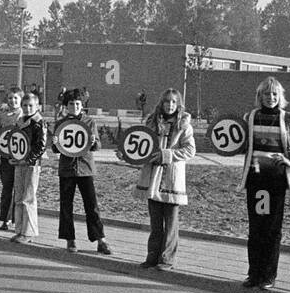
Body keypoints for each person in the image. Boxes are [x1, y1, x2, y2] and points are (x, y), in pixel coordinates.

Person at [240, 77, 290, 289]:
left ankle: (268, 276)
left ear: (279, 96)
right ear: (259, 96)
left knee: (272, 229)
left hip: (276, 182)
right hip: (256, 181)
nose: (270, 98)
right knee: (256, 227)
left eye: (274, 94)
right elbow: (241, 143)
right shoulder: (250, 117)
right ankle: (254, 274)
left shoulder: (289, 118)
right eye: (266, 94)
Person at [117, 87, 195, 270]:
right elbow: (141, 147)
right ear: (162, 102)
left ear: (179, 104)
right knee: (155, 221)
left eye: (174, 102)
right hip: (152, 179)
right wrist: (126, 153)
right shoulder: (151, 122)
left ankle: (167, 258)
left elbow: (190, 150)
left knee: (171, 222)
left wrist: (166, 155)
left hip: (171, 179)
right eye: (167, 101)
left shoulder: (184, 125)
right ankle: (152, 255)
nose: (170, 105)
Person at [53, 87, 111, 254]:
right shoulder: (61, 123)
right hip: (67, 169)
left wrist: (93, 141)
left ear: (82, 104)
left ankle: (101, 239)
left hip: (85, 168)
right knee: (66, 205)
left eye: (78, 103)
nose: (75, 107)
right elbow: (56, 148)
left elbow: (97, 146)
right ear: (66, 105)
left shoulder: (89, 122)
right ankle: (69, 239)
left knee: (92, 205)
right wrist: (56, 143)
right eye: (71, 104)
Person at [10, 89, 48, 245]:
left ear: (37, 106)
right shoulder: (20, 121)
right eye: (24, 105)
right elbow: (15, 142)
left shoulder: (39, 122)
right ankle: (19, 229)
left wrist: (28, 159)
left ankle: (29, 231)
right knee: (18, 197)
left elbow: (41, 145)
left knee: (28, 198)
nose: (27, 108)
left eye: (31, 105)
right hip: (20, 163)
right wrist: (14, 157)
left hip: (32, 164)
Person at [0, 87, 22, 229]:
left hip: (18, 156)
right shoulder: (3, 115)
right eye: (10, 98)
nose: (13, 100)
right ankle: (5, 219)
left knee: (18, 188)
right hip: (5, 155)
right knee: (6, 187)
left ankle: (16, 218)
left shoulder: (22, 115)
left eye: (16, 98)